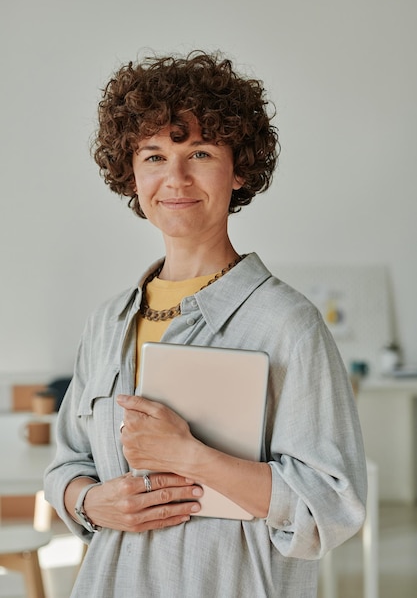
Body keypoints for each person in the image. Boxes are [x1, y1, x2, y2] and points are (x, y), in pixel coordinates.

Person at [44, 51, 367, 597]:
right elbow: (66, 464)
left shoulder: (287, 324)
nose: (175, 178)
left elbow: (330, 506)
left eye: (199, 152)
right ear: (131, 174)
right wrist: (87, 501)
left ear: (240, 169)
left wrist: (192, 457)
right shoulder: (107, 323)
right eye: (153, 156)